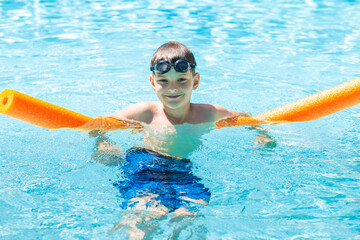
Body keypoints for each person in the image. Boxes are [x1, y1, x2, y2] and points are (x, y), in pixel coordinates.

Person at [91, 41, 275, 239]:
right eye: (164, 81)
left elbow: (245, 118)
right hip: (145, 166)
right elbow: (98, 125)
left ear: (195, 81)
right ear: (153, 83)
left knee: (189, 217)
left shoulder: (209, 113)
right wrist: (104, 144)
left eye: (181, 80)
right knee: (147, 216)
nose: (173, 88)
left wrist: (261, 134)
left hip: (182, 169)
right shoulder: (146, 112)